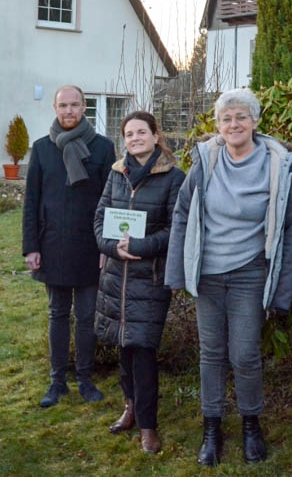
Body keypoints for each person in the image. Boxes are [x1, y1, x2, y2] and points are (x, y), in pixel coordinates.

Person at [165, 88, 292, 466]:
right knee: (211, 354)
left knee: (244, 355)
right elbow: (182, 213)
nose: (233, 124)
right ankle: (211, 428)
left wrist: (282, 289)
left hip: (249, 273)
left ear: (255, 122)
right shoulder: (206, 162)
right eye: (226, 118)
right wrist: (178, 271)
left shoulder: (277, 164)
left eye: (241, 117)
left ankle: (250, 425)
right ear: (218, 125)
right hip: (208, 274)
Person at [93, 111, 185, 454]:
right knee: (123, 348)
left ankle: (148, 425)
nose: (135, 138)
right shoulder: (117, 174)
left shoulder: (174, 177)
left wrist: (141, 247)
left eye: (141, 132)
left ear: (155, 135)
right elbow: (100, 217)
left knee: (143, 352)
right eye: (129, 134)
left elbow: (175, 228)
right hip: (117, 275)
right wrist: (110, 246)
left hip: (150, 278)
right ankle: (129, 407)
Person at [23, 84, 114, 407]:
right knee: (57, 313)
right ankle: (57, 381)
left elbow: (111, 201)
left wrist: (108, 246)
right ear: (54, 108)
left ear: (84, 107)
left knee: (87, 316)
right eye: (63, 105)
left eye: (75, 105)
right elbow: (31, 202)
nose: (69, 111)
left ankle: (86, 380)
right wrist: (31, 247)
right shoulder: (43, 148)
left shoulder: (103, 148)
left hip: (91, 246)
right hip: (53, 245)